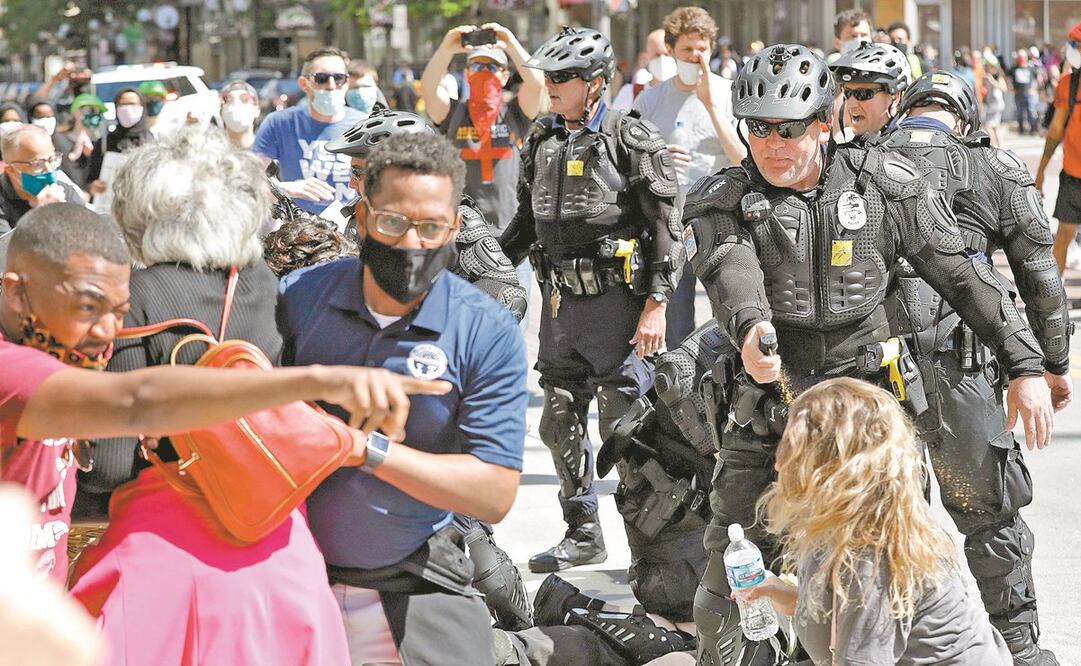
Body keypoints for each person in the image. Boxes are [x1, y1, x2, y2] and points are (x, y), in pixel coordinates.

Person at [681, 43, 1054, 664]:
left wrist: (1026, 366)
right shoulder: (723, 197)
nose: (772, 143)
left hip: (868, 413)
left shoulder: (885, 183)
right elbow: (729, 269)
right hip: (774, 396)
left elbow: (962, 276)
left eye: (790, 128)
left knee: (879, 565)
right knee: (733, 560)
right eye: (759, 128)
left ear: (824, 122)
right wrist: (751, 329)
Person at [1, 201, 449, 584]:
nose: (105, 332)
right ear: (17, 294)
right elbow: (139, 400)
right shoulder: (12, 371)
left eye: (118, 313)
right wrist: (319, 380)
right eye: (85, 306)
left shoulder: (56, 363)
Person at [278, 131, 527, 664]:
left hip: (418, 571)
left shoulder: (483, 329)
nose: (412, 243)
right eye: (392, 222)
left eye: (431, 227)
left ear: (455, 227)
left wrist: (362, 447)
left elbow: (494, 494)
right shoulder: (299, 297)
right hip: (289, 565)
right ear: (363, 216)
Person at [872, 70, 1069, 664]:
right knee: (992, 514)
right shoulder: (995, 168)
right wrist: (1048, 364)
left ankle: (885, 641)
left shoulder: (859, 162)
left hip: (873, 370)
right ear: (965, 118)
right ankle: (1020, 647)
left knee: (875, 515)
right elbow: (1039, 276)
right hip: (962, 365)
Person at [500, 26, 684, 573]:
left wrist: (656, 305)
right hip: (559, 306)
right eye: (547, 77)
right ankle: (582, 532)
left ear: (596, 84)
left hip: (617, 307)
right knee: (559, 420)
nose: (550, 86)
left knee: (627, 429)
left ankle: (650, 548)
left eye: (563, 78)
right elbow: (524, 226)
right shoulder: (541, 139)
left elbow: (667, 228)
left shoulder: (631, 138)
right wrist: (476, 266)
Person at [747, 378, 1012, 665]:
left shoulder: (870, 556)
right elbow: (855, 616)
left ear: (829, 465)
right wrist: (788, 596)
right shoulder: (855, 523)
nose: (777, 462)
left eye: (792, 446)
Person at [325, 104, 527, 321]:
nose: (351, 183)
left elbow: (508, 296)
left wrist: (432, 322)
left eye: (359, 173)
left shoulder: (452, 216)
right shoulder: (357, 213)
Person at [632, 6, 744, 349]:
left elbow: (744, 159)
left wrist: (711, 106)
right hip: (670, 227)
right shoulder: (651, 100)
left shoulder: (729, 92)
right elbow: (630, 164)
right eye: (687, 49)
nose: (696, 56)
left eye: (703, 49)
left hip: (722, 225)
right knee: (678, 325)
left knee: (730, 319)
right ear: (671, 50)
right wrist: (657, 153)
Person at [421, 23, 545, 237]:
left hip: (510, 233)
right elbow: (429, 88)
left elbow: (537, 83)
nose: (484, 72)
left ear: (505, 76)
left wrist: (511, 43)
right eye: (477, 66)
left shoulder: (515, 113)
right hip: (462, 233)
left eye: (492, 67)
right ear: (467, 73)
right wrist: (446, 49)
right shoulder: (453, 113)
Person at [253, 46, 364, 214]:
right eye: (322, 79)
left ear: (347, 82)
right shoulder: (280, 123)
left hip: (352, 230)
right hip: (298, 230)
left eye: (339, 78)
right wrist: (285, 189)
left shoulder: (364, 124)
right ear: (304, 84)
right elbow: (252, 183)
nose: (331, 85)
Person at [1035, 20, 1081, 274]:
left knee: (1063, 236)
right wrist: (1041, 171)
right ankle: (1054, 300)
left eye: (1075, 45)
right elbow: (1055, 131)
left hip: (1074, 175)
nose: (1070, 50)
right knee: (1063, 237)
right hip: (1072, 176)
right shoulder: (1068, 83)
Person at [1, 125, 83, 232]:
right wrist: (41, 215)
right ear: (11, 170)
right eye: (37, 164)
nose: (49, 170)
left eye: (52, 160)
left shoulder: (65, 192)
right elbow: (5, 247)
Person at [828, 41, 912, 140]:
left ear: (895, 98)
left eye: (863, 94)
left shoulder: (911, 148)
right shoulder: (841, 142)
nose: (850, 105)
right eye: (847, 93)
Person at [86, 88, 154, 200]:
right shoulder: (105, 143)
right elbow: (90, 179)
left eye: (132, 104)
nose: (127, 109)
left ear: (142, 107)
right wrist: (93, 187)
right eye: (122, 105)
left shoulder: (153, 142)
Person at [611, 29, 673, 112]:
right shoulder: (630, 93)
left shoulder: (689, 94)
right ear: (648, 56)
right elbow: (613, 123)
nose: (662, 59)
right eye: (657, 55)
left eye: (666, 54)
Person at [55, 94, 106, 190]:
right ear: (76, 112)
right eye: (91, 110)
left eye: (98, 112)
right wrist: (74, 154)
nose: (95, 115)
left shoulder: (98, 142)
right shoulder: (59, 139)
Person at [219, 80, 262, 149]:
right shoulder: (210, 155)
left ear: (256, 110)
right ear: (221, 112)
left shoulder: (268, 154)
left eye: (245, 99)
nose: (237, 104)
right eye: (230, 100)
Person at [1013, 49, 1040, 136]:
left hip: (1028, 93)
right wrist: (1011, 88)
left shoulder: (1030, 68)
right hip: (1018, 94)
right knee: (1019, 112)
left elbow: (1038, 78)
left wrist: (1035, 89)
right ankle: (1021, 129)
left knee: (1031, 111)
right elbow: (1006, 76)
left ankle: (1033, 129)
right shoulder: (1014, 68)